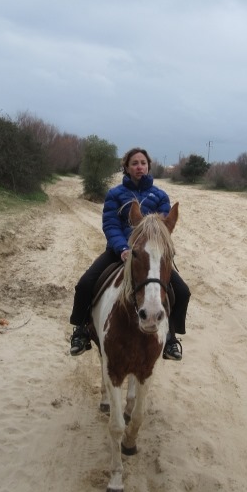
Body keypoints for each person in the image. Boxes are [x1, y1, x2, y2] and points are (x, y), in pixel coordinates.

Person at [69, 147, 191, 360]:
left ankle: (171, 337)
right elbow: (110, 225)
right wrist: (123, 248)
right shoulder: (115, 194)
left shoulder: (160, 196)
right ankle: (81, 331)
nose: (139, 167)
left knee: (182, 291)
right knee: (85, 284)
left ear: (148, 166)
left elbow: (163, 229)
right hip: (119, 252)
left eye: (143, 163)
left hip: (148, 256)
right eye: (134, 163)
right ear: (126, 167)